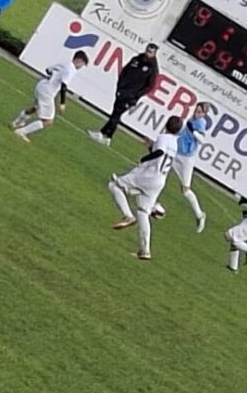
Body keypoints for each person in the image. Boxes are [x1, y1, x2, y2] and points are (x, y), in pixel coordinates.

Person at [107, 116, 182, 261]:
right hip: (160, 180)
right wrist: (150, 146)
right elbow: (162, 155)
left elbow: (159, 153)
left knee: (114, 185)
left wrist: (143, 159)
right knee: (143, 212)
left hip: (148, 175)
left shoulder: (163, 137)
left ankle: (127, 215)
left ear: (166, 124)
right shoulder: (174, 143)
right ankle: (145, 250)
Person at [87, 44, 160, 147]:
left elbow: (150, 86)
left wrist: (136, 95)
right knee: (115, 114)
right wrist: (120, 86)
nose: (148, 53)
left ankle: (103, 134)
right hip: (122, 91)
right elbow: (124, 71)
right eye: (147, 50)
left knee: (116, 114)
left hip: (131, 96)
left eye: (150, 52)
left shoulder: (152, 68)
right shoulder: (136, 59)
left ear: (154, 54)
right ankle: (107, 136)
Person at [12, 51, 89, 142]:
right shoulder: (71, 70)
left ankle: (16, 122)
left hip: (41, 85)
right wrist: (62, 103)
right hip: (48, 92)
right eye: (82, 64)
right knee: (48, 121)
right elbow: (64, 86)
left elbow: (48, 70)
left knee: (35, 107)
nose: (81, 67)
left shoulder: (64, 64)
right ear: (79, 60)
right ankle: (22, 132)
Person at [174, 102, 212, 233]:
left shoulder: (200, 124)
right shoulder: (192, 119)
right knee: (160, 168)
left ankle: (200, 215)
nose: (196, 113)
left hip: (187, 157)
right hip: (178, 151)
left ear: (204, 114)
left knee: (185, 189)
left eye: (200, 112)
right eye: (196, 110)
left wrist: (194, 131)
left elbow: (202, 140)